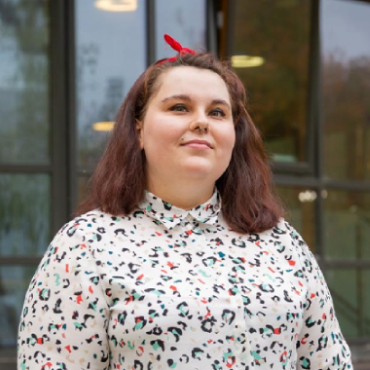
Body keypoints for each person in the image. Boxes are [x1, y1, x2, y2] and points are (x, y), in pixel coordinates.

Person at [18, 34, 352, 370]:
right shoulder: (85, 245)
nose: (201, 122)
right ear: (138, 130)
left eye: (217, 112)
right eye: (179, 107)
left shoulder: (282, 244)